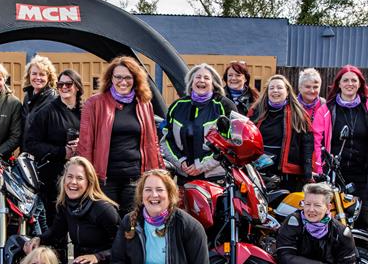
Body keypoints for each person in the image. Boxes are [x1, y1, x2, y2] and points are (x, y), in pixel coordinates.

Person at [77, 56, 163, 217]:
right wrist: (85, 177)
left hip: (135, 178)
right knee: (108, 225)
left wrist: (159, 172)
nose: (123, 81)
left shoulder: (145, 104)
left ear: (135, 79)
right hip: (104, 180)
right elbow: (85, 145)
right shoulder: (94, 103)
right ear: (111, 79)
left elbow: (153, 143)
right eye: (118, 77)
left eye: (128, 77)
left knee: (131, 226)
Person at [312, 65, 368, 249]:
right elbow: (316, 140)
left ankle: (361, 262)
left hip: (363, 175)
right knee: (333, 219)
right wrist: (320, 170)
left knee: (361, 220)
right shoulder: (327, 109)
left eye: (354, 80)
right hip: (335, 174)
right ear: (338, 84)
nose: (350, 84)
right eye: (346, 80)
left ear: (360, 84)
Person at [25, 69, 83, 224]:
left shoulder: (86, 112)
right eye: (60, 84)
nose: (64, 87)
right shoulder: (47, 112)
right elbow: (30, 144)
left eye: (68, 84)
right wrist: (61, 152)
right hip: (54, 177)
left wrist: (82, 144)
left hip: (81, 175)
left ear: (77, 87)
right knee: (57, 220)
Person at [162, 63, 236, 184]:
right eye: (197, 77)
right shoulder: (178, 106)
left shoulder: (224, 105)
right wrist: (180, 161)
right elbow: (166, 139)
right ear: (191, 82)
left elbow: (230, 143)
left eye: (206, 78)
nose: (201, 80)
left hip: (215, 178)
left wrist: (200, 165)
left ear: (213, 84)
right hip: (184, 176)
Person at [248, 75, 314, 191]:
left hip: (289, 175)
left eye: (279, 87)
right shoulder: (255, 112)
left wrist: (308, 173)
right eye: (271, 88)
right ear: (267, 92)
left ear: (287, 91)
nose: (275, 91)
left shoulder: (299, 115)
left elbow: (307, 145)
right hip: (259, 172)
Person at [20, 55, 58, 145]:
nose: (38, 78)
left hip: (43, 155)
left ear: (49, 78)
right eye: (34, 73)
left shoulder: (54, 99)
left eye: (42, 74)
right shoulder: (27, 97)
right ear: (29, 75)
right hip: (26, 152)